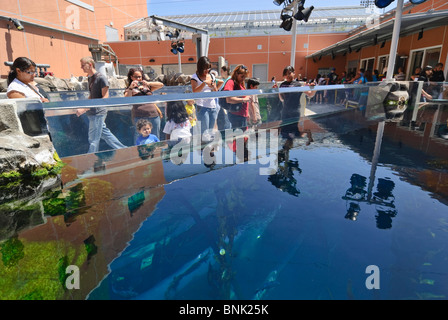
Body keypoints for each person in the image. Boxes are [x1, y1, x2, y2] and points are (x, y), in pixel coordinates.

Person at [76, 56, 126, 154]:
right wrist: (84, 106)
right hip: (92, 113)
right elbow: (92, 95)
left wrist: (84, 109)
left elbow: (105, 97)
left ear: (90, 65)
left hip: (98, 113)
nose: (81, 68)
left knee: (93, 139)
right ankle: (124, 150)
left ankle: (91, 159)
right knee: (105, 134)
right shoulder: (90, 78)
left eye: (83, 65)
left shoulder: (101, 78)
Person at [124, 68, 164, 141]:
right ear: (131, 77)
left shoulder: (147, 87)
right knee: (139, 138)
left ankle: (155, 152)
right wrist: (131, 88)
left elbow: (161, 85)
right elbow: (127, 99)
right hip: (140, 117)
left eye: (140, 76)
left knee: (155, 137)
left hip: (153, 115)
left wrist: (148, 83)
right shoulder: (129, 89)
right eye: (136, 77)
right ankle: (139, 152)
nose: (138, 79)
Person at [191, 56, 220, 139]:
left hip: (212, 106)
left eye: (208, 68)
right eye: (205, 68)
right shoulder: (195, 77)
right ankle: (203, 149)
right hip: (202, 107)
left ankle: (210, 150)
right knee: (204, 132)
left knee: (211, 131)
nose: (207, 71)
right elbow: (194, 91)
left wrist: (213, 86)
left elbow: (216, 92)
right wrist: (204, 83)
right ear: (200, 68)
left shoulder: (211, 76)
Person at [222, 64, 251, 130]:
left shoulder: (240, 83)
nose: (243, 79)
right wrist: (244, 99)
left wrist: (247, 113)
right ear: (236, 74)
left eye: (245, 77)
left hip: (242, 115)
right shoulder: (231, 82)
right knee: (238, 138)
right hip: (236, 115)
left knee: (242, 137)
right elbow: (229, 99)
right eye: (242, 77)